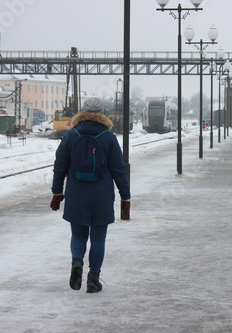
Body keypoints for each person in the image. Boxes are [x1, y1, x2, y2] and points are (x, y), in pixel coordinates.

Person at [50, 97, 130, 293]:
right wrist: (125, 196)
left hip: (76, 194)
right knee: (98, 238)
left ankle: (77, 262)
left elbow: (59, 166)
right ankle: (93, 279)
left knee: (78, 233)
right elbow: (118, 169)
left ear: (83, 112)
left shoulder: (71, 135)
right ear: (102, 113)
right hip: (101, 195)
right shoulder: (108, 137)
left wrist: (57, 193)